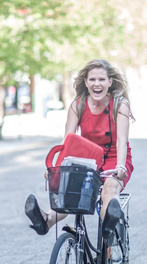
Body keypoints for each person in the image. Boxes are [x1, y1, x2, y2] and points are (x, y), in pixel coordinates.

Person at [25, 59, 134, 237]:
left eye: (101, 79)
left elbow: (122, 140)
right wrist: (58, 169)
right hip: (88, 158)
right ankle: (46, 220)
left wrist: (120, 167)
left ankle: (108, 229)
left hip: (116, 157)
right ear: (86, 82)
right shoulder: (78, 105)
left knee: (110, 188)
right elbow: (68, 141)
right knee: (70, 192)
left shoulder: (119, 105)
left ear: (110, 82)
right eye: (92, 80)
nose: (96, 84)